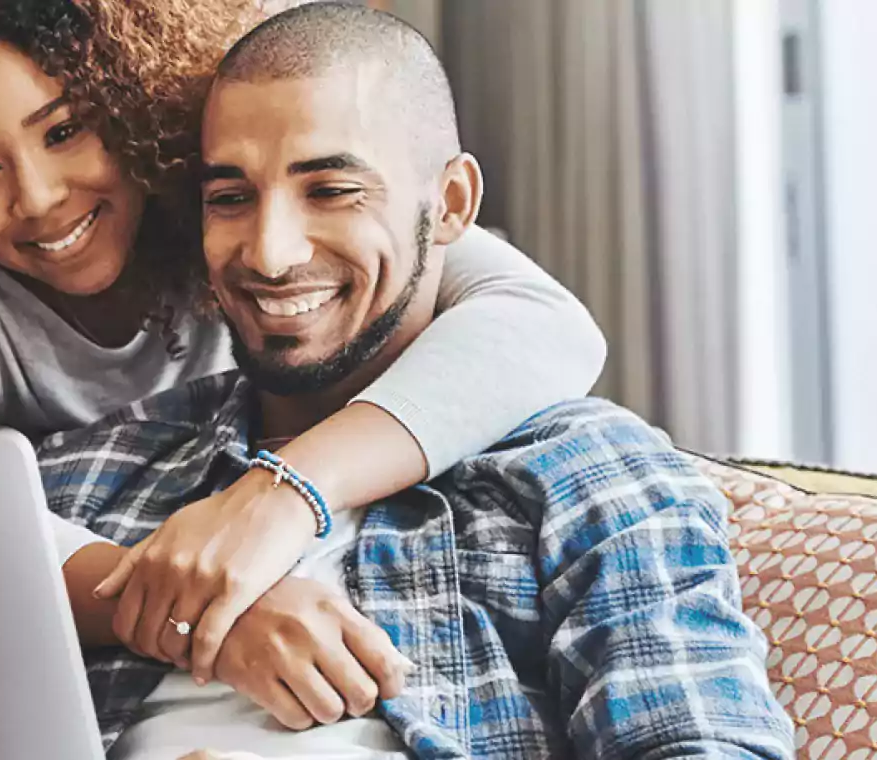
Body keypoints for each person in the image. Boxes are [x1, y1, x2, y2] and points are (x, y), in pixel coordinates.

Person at [0, 0, 607, 678]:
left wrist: (283, 494)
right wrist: (195, 614)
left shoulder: (245, 211)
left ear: (137, 104)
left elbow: (546, 327)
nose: (36, 197)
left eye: (65, 130)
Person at [40, 5, 792, 758]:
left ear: (453, 204)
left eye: (332, 190)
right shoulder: (90, 477)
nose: (270, 254)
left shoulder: (587, 474)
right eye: (230, 199)